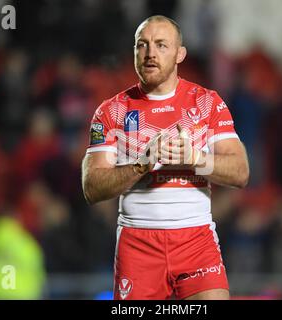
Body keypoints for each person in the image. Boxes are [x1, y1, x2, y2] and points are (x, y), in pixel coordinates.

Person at [82, 15, 249, 300]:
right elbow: (92, 188)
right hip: (138, 246)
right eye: (142, 45)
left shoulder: (207, 102)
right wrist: (140, 165)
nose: (150, 54)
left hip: (196, 240)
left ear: (179, 54)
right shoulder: (111, 111)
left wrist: (195, 158)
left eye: (161, 45)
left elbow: (240, 172)